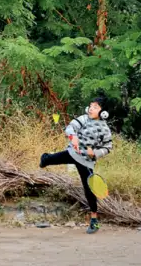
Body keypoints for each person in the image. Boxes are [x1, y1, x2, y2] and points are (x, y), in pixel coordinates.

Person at [39, 96, 113, 234]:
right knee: (48, 160)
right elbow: (70, 127)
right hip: (72, 153)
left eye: (95, 107)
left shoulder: (105, 129)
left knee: (90, 190)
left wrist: (95, 153)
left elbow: (108, 147)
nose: (91, 109)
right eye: (90, 106)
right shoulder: (83, 119)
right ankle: (45, 158)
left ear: (103, 112)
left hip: (86, 162)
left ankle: (94, 220)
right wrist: (73, 137)